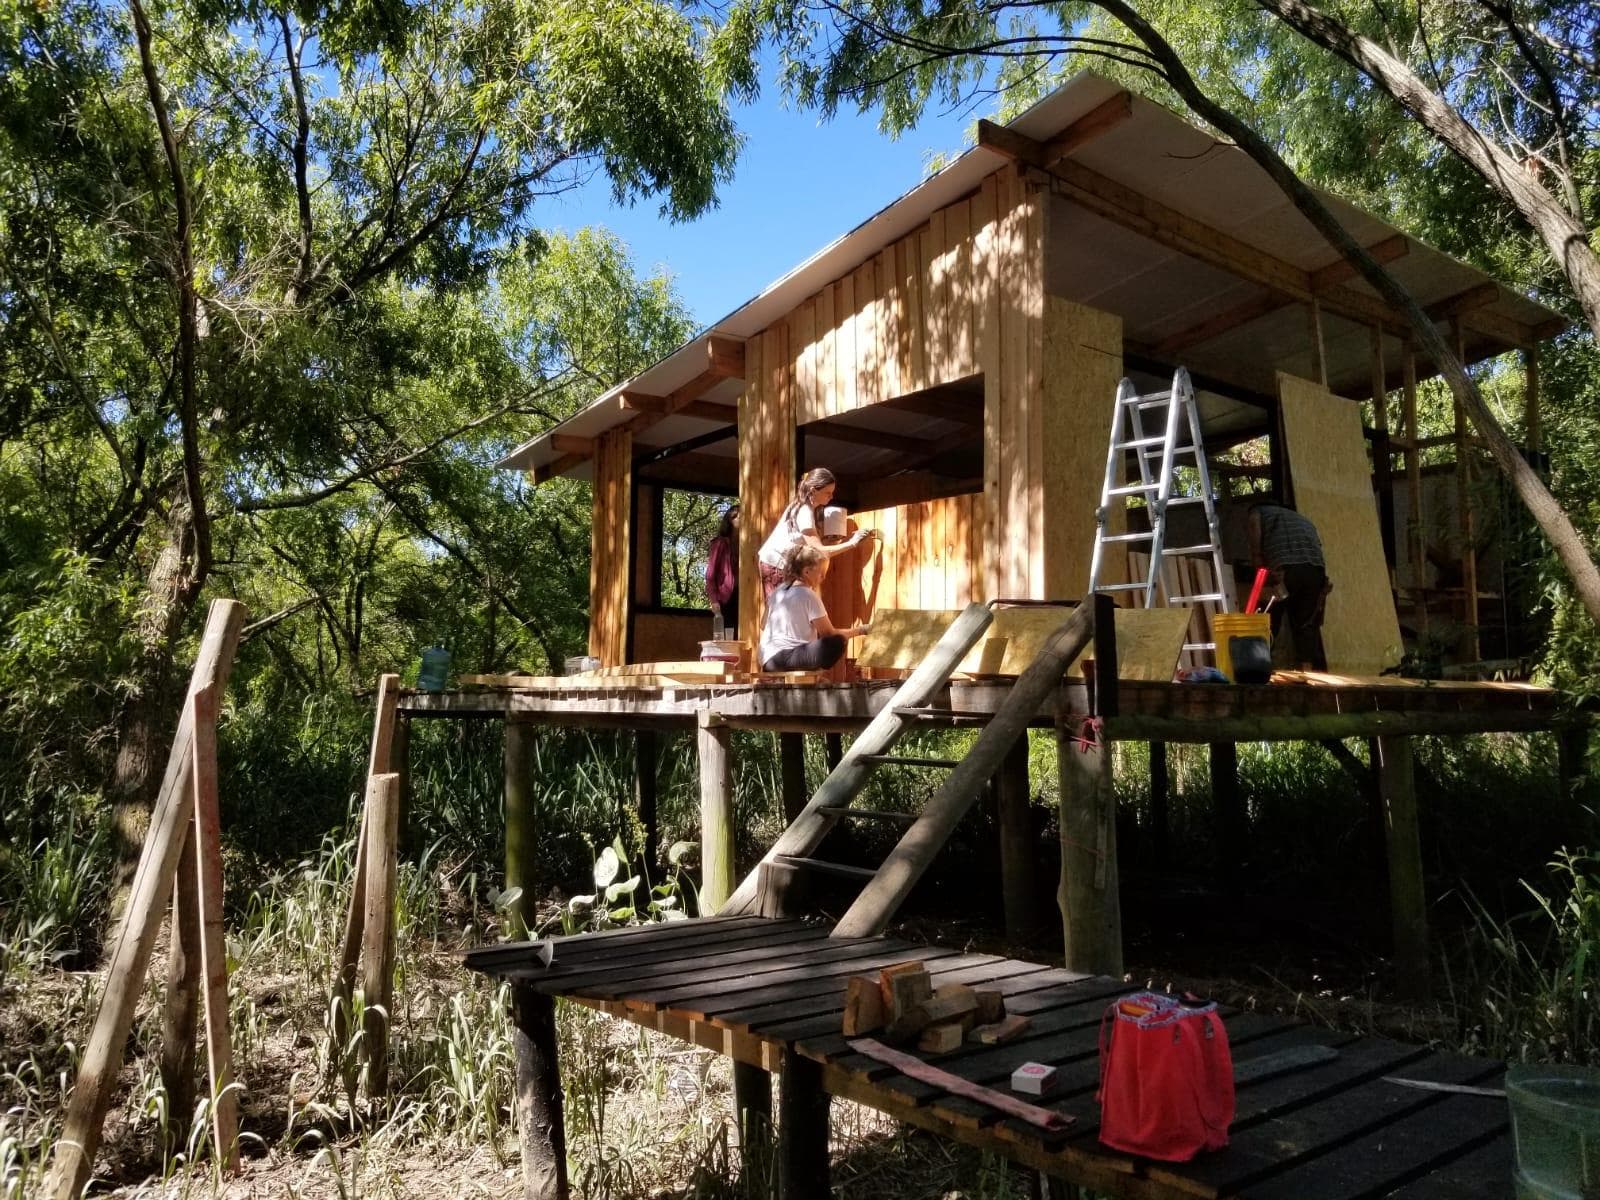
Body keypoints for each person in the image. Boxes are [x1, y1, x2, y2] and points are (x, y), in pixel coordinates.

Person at [756, 467, 877, 596]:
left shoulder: (801, 505)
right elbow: (819, 552)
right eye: (827, 492)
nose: (831, 496)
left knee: (783, 608)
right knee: (781, 610)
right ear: (814, 490)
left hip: (775, 563)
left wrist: (829, 541)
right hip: (776, 564)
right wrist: (852, 543)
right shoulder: (805, 511)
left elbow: (806, 545)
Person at [1247, 496, 1331, 671]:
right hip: (1315, 571)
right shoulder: (1301, 519)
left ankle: (1258, 670)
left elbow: (1256, 549)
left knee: (1268, 618)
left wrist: (1261, 574)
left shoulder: (1257, 513)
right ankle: (1306, 672)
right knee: (1305, 623)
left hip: (1286, 571)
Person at [759, 544, 870, 672]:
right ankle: (815, 673)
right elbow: (829, 633)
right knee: (837, 642)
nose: (823, 578)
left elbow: (763, 624)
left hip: (767, 661)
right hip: (787, 659)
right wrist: (861, 630)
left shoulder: (778, 591)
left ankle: (813, 672)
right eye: (821, 574)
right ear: (806, 572)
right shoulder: (808, 595)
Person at [704, 503, 739, 636]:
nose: (739, 519)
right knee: (728, 635)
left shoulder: (748, 543)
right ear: (729, 521)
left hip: (744, 596)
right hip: (726, 597)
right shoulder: (720, 543)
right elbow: (710, 574)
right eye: (735, 517)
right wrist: (713, 599)